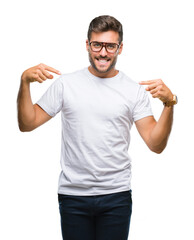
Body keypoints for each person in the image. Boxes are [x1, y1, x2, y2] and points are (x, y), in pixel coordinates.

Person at [17, 15, 177, 240]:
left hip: (116, 195)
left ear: (120, 48)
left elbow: (155, 144)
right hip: (73, 195)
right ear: (87, 45)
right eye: (97, 45)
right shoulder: (66, 84)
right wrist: (24, 83)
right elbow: (27, 123)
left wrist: (169, 104)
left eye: (110, 46)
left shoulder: (134, 90)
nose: (103, 52)